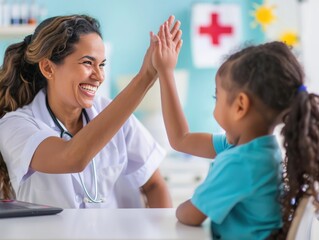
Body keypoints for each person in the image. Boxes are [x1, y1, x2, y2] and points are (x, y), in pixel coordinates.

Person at [152, 22, 319, 240]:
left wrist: (185, 204)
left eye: (217, 97)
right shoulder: (258, 149)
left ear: (240, 105)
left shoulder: (240, 162)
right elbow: (181, 139)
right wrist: (166, 72)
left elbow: (189, 215)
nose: (215, 103)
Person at [0, 14, 182, 209]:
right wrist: (146, 76)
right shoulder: (15, 125)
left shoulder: (113, 113)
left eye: (101, 64)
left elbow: (154, 185)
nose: (99, 75)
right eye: (88, 63)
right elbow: (71, 158)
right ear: (48, 68)